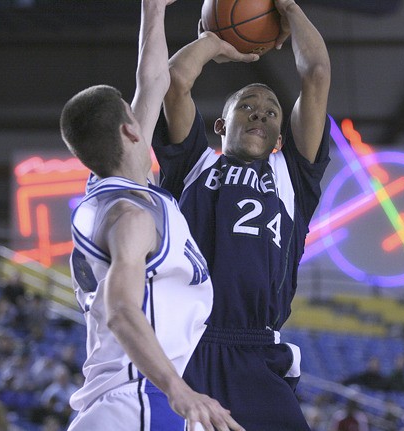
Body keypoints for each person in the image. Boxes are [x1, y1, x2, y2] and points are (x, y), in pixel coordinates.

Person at [60, 1, 243, 430]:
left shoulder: (114, 192)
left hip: (119, 401)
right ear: (130, 131)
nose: (142, 112)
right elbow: (121, 308)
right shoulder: (130, 215)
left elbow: (153, 79)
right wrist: (179, 392)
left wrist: (154, 9)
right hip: (139, 398)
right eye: (132, 113)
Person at [152, 0, 331, 429]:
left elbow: (317, 73)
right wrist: (210, 41)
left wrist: (288, 9)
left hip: (257, 352)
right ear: (220, 123)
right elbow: (175, 81)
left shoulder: (292, 179)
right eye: (248, 106)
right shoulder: (194, 164)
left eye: (271, 112)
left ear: (279, 135)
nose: (260, 113)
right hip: (187, 344)